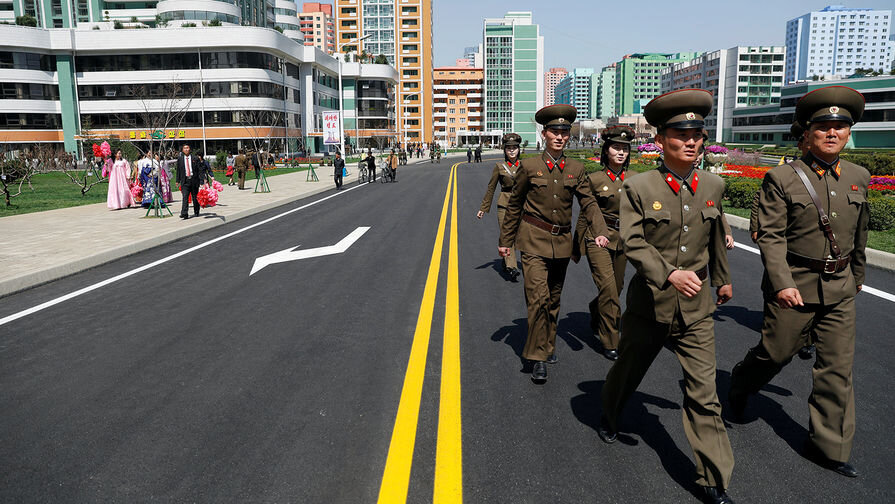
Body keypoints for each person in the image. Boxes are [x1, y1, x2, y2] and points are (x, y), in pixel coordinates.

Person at [597, 89, 735, 504]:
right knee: (629, 370)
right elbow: (633, 242)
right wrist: (669, 274)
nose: (692, 141)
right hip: (650, 304)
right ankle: (609, 411)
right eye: (681, 133)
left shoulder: (713, 184)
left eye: (697, 133)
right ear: (660, 140)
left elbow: (715, 236)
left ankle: (713, 479)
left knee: (704, 391)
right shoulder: (639, 187)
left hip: (696, 309)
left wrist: (722, 279)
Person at [728, 86, 869, 479]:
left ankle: (828, 446)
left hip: (839, 287)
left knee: (837, 368)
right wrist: (782, 282)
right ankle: (741, 384)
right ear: (808, 132)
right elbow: (770, 237)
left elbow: (860, 232)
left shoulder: (858, 176)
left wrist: (857, 275)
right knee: (775, 353)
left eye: (840, 126)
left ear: (848, 132)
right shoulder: (783, 177)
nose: (832, 132)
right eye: (823, 125)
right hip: (794, 284)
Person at [499, 104, 609, 383]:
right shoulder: (529, 166)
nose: (560, 136)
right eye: (554, 131)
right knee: (537, 298)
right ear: (544, 133)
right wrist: (506, 242)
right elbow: (514, 206)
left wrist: (599, 229)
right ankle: (537, 357)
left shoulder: (576, 168)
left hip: (561, 243)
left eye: (564, 131)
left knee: (553, 300)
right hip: (533, 240)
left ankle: (547, 345)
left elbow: (589, 202)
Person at [572, 125, 636, 361]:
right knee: (609, 291)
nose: (621, 153)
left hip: (624, 240)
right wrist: (576, 245)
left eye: (625, 149)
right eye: (616, 148)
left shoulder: (635, 180)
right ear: (606, 150)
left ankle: (595, 309)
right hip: (597, 238)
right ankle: (611, 340)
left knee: (615, 288)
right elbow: (585, 213)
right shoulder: (594, 179)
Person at [477, 133, 523, 280]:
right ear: (504, 150)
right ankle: (512, 266)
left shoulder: (525, 166)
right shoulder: (499, 167)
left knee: (520, 236)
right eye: (508, 148)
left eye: (514, 148)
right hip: (505, 204)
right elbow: (491, 188)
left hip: (522, 205)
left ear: (519, 149)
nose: (511, 151)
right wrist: (483, 208)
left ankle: (505, 261)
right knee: (507, 234)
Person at [176, 143, 204, 219]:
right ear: (182, 150)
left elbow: (200, 170)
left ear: (190, 149)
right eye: (185, 148)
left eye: (187, 148)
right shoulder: (180, 159)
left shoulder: (195, 158)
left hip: (194, 180)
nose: (186, 149)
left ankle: (196, 211)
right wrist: (177, 181)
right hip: (185, 181)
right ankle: (184, 213)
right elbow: (178, 170)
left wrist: (202, 180)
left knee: (195, 197)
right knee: (185, 197)